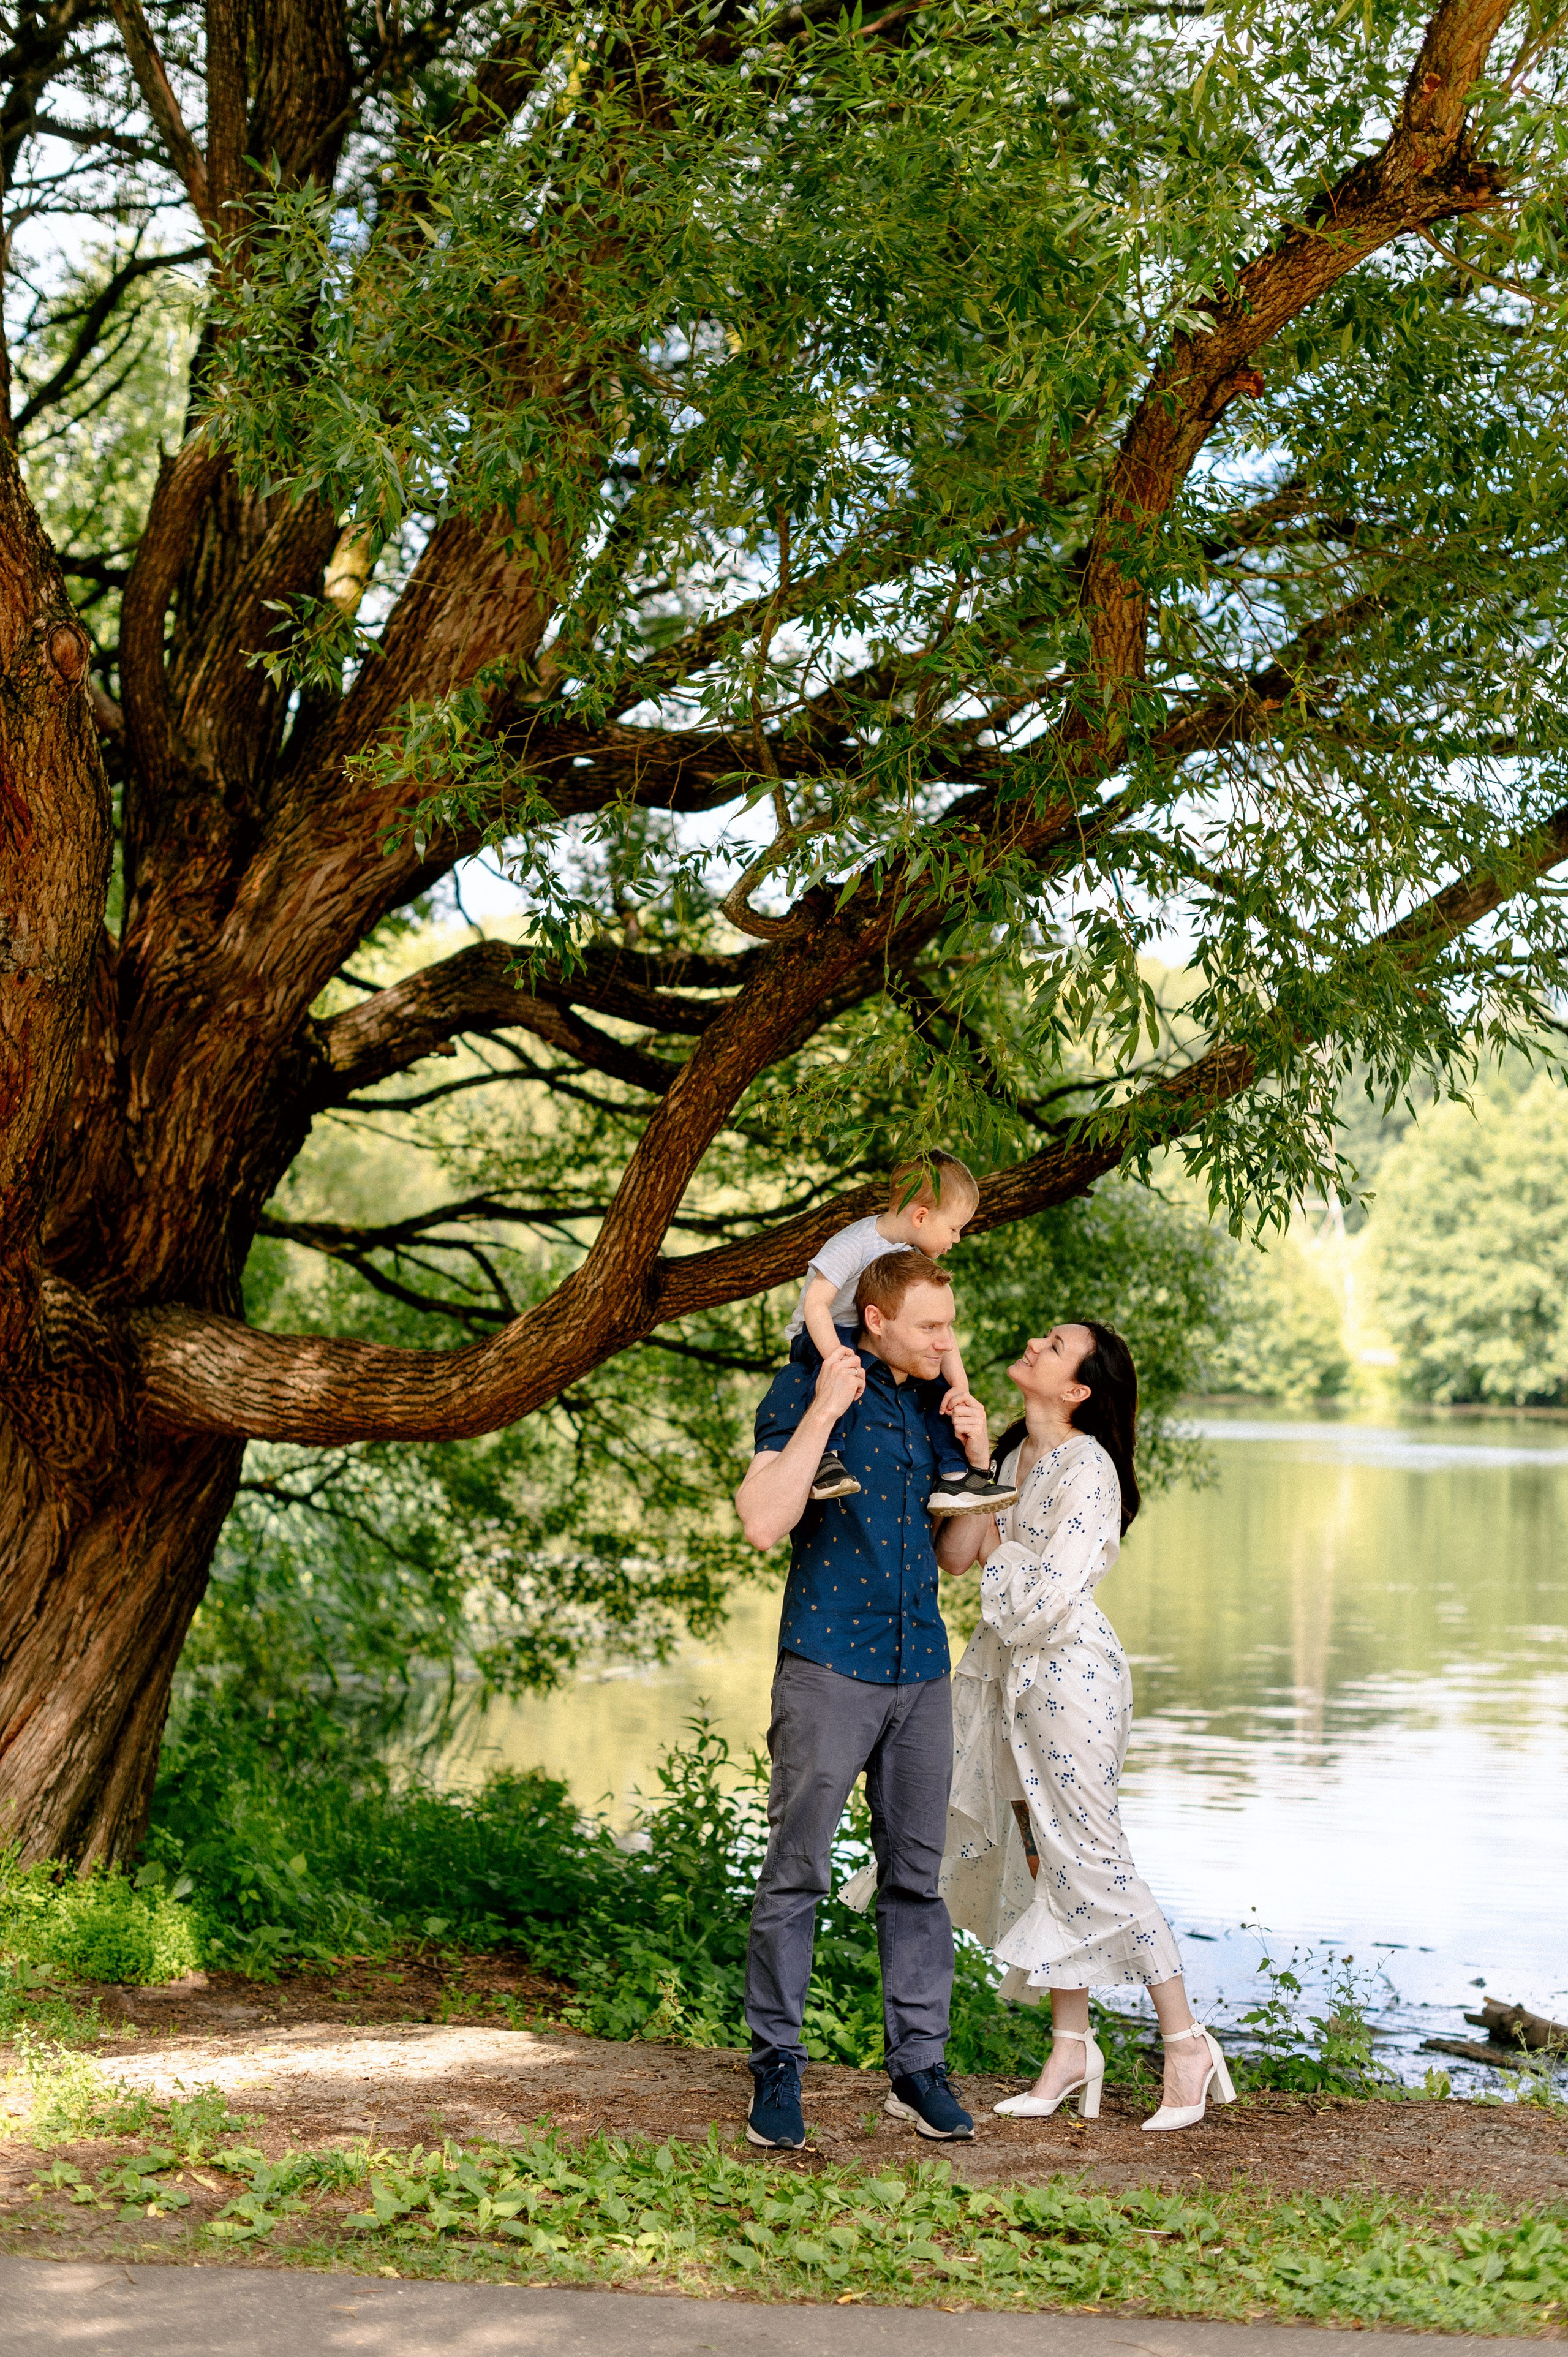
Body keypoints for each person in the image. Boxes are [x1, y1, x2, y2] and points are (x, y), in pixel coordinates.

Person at [937, 1322, 1235, 2134]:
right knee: (1044, 1862)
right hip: (1007, 1682)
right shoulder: (1011, 1457)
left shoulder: (1089, 1471)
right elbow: (958, 1557)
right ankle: (1072, 2049)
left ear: (1077, 1390)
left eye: (1057, 1342)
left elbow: (1040, 1607)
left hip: (1069, 1681)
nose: (1037, 1339)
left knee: (1097, 1859)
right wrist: (972, 1471)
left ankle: (1186, 2045)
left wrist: (995, 1529)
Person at [734, 1250, 1000, 2152]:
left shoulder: (933, 1404)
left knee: (918, 1885)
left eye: (950, 1323)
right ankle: (776, 2064)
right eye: (931, 1326)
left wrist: (978, 1453)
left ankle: (917, 2071)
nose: (947, 1341)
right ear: (875, 1319)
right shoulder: (803, 1382)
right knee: (797, 1872)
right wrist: (824, 1411)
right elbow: (765, 1520)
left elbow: (963, 1554)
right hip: (827, 1668)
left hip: (919, 1668)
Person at [785, 1152, 1017, 1515]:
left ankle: (954, 1476)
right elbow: (816, 1304)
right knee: (842, 1375)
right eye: (955, 1228)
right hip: (824, 1331)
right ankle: (826, 1459)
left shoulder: (914, 1258)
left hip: (868, 1330)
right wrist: (838, 1356)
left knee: (934, 1378)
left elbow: (943, 1328)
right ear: (921, 1216)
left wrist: (959, 1384)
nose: (957, 1238)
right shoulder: (854, 1243)